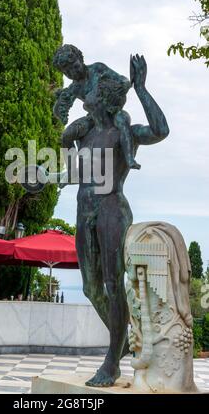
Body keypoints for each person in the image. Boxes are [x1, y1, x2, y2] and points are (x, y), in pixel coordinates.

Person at [53, 48, 169, 387]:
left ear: (105, 98)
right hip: (84, 209)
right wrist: (39, 178)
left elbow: (161, 131)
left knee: (113, 285)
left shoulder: (125, 132)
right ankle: (122, 343)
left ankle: (112, 361)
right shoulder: (85, 135)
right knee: (90, 287)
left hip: (111, 210)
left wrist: (142, 88)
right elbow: (74, 173)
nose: (89, 103)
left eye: (94, 99)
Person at [53, 45, 141, 175]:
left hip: (112, 111)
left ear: (80, 59)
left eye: (75, 67)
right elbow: (60, 107)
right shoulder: (74, 87)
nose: (73, 73)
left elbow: (123, 80)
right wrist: (61, 105)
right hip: (93, 118)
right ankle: (71, 171)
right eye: (67, 73)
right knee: (67, 135)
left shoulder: (97, 69)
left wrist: (122, 86)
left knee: (123, 121)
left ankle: (129, 158)